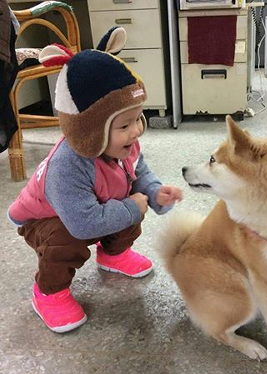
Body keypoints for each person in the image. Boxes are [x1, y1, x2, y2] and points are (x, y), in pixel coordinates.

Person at [7, 27, 183, 333]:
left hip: (89, 211)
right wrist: (131, 207)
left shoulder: (124, 146)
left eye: (138, 118)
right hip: (49, 221)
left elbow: (138, 172)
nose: (136, 131)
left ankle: (113, 255)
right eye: (124, 125)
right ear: (90, 131)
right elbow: (82, 224)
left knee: (131, 203)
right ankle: (48, 293)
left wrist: (155, 193)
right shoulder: (67, 166)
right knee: (67, 239)